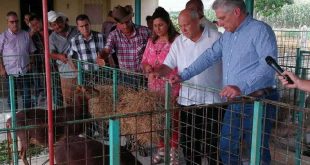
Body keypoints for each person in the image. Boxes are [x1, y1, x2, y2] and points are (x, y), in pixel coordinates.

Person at [169, 0, 279, 164]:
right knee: (226, 146)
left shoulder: (260, 30)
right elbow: (209, 56)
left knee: (256, 148)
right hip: (236, 101)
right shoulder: (228, 34)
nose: (218, 23)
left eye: (222, 18)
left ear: (236, 12)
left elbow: (268, 65)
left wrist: (241, 86)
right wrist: (183, 75)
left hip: (259, 100)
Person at [153, 8, 223, 164]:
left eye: (186, 25)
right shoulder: (179, 42)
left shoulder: (216, 38)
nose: (183, 29)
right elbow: (168, 65)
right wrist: (158, 72)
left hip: (214, 100)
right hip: (187, 100)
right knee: (190, 144)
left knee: (213, 143)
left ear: (198, 20)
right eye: (180, 25)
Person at [141, 7, 180, 164]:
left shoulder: (177, 40)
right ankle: (162, 149)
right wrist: (147, 67)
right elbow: (144, 61)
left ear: (168, 23)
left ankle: (174, 152)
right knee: (158, 120)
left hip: (172, 88)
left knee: (173, 120)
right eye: (155, 26)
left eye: (161, 25)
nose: (157, 29)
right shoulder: (152, 41)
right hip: (154, 87)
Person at [97, 5, 151, 72]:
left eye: (127, 22)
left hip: (142, 75)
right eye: (121, 23)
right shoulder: (114, 35)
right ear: (116, 23)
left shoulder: (144, 31)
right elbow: (107, 50)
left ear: (131, 18)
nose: (125, 26)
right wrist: (101, 56)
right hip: (124, 76)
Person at [0, 11, 36, 109]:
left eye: (16, 21)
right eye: (12, 22)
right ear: (7, 22)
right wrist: (1, 69)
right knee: (12, 96)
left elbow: (31, 50)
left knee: (27, 95)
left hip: (25, 69)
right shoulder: (3, 37)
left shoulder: (25, 34)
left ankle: (27, 117)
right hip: (9, 72)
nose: (15, 24)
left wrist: (31, 63)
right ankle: (14, 119)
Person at [48, 10, 79, 107]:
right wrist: (59, 56)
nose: (57, 26)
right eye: (54, 25)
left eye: (59, 22)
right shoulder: (52, 37)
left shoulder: (76, 30)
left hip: (82, 69)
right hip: (66, 71)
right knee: (68, 98)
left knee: (82, 96)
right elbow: (50, 53)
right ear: (51, 26)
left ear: (63, 21)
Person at [68, 14, 106, 84]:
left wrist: (112, 68)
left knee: (101, 93)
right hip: (84, 74)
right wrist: (75, 70)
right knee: (85, 94)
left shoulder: (101, 36)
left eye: (86, 25)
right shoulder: (74, 40)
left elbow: (109, 54)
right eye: (81, 26)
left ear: (90, 24)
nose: (85, 28)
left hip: (101, 73)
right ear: (78, 28)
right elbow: (69, 57)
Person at [29, 14, 50, 106]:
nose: (35, 26)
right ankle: (41, 106)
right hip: (38, 64)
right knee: (39, 86)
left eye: (37, 23)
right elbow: (24, 45)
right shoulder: (32, 36)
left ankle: (52, 104)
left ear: (42, 21)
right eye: (33, 25)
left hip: (51, 63)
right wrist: (30, 34)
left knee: (52, 84)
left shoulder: (51, 32)